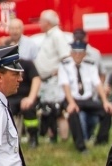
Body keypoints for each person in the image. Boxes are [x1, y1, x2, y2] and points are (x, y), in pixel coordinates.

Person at [58, 40, 112, 153]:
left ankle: (101, 141)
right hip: (71, 98)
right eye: (75, 52)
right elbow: (65, 85)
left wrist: (105, 101)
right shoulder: (64, 65)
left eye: (80, 53)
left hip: (87, 99)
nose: (77, 55)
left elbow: (97, 83)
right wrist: (71, 103)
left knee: (107, 110)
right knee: (72, 113)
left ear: (85, 54)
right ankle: (81, 146)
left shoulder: (90, 64)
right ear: (71, 53)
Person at [34, 10, 71, 143]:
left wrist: (58, 72)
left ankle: (64, 138)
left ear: (47, 23)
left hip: (54, 81)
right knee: (48, 110)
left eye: (41, 20)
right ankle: (52, 136)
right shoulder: (48, 36)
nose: (39, 23)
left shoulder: (57, 35)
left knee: (58, 110)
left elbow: (65, 56)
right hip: (46, 81)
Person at [5, 55, 41, 149]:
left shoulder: (27, 64)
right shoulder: (3, 65)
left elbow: (36, 79)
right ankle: (8, 140)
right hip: (9, 98)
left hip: (26, 97)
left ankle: (33, 137)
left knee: (29, 109)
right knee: (4, 110)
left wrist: (31, 98)